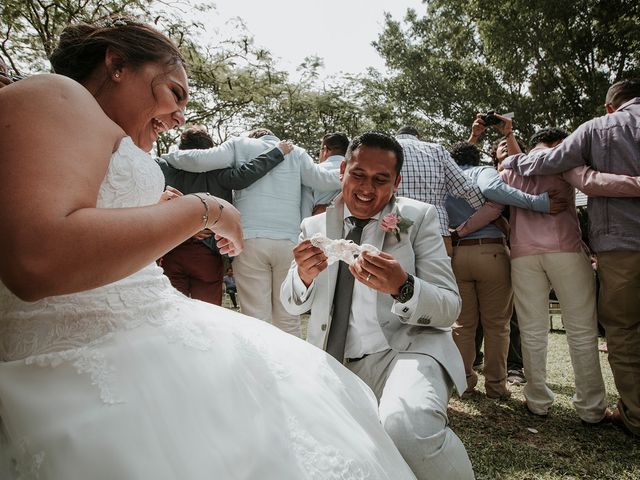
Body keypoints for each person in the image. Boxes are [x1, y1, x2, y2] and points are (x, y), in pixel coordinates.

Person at [0, 17, 418, 479]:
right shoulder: (53, 93)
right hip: (90, 357)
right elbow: (37, 259)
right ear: (116, 64)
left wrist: (149, 211)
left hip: (146, 328)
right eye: (174, 92)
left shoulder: (91, 126)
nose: (180, 116)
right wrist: (205, 209)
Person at [281, 131, 474, 479]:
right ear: (342, 172)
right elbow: (291, 302)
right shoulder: (313, 226)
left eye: (380, 179)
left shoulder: (418, 219)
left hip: (408, 350)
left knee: (405, 428)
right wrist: (304, 277)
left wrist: (403, 287)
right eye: (358, 175)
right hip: (336, 359)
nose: (367, 188)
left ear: (397, 182)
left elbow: (449, 306)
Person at [502, 80, 640, 436]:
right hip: (565, 251)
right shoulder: (564, 165)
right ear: (560, 145)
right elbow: (593, 182)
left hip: (522, 257)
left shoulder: (510, 169)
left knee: (532, 330)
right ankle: (591, 409)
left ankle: (537, 401)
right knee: (580, 331)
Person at [163, 128, 341, 337]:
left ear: (253, 137)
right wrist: (356, 175)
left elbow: (198, 160)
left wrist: (163, 157)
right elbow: (323, 180)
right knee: (288, 318)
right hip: (288, 242)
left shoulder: (240, 145)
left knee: (255, 319)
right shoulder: (297, 152)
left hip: (249, 241)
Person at [445, 141, 565, 399]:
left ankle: (463, 382)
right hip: (491, 252)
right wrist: (538, 202)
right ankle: (496, 386)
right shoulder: (481, 171)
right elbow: (492, 189)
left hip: (457, 254)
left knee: (463, 324)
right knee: (497, 325)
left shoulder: (445, 180)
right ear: (476, 156)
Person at [157, 125, 292, 304]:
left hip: (172, 250)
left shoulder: (166, 170)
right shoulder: (218, 173)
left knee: (169, 311)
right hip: (206, 254)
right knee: (208, 315)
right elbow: (246, 174)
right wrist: (277, 152)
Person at [394, 125, 485, 256]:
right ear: (418, 137)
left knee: (396, 274)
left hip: (395, 229)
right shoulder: (437, 150)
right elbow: (465, 187)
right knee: (438, 275)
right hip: (437, 229)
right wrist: (486, 210)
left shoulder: (386, 150)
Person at [301, 132, 349, 217]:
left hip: (317, 225)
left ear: (325, 150)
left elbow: (305, 208)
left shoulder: (312, 173)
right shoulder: (356, 174)